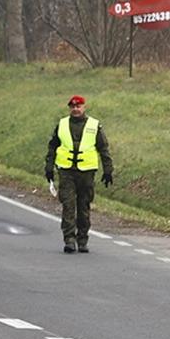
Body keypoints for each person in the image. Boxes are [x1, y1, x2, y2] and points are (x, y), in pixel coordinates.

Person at [45, 95, 113, 254]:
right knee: (68, 205)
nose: (75, 109)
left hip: (87, 172)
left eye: (79, 106)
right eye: (73, 106)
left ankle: (82, 239)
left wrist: (108, 170)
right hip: (66, 171)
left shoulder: (94, 125)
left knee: (83, 206)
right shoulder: (61, 124)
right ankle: (69, 239)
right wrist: (48, 166)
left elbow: (103, 148)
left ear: (84, 107)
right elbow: (52, 146)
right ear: (70, 108)